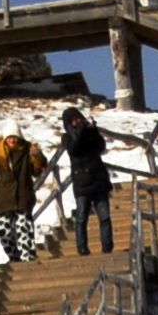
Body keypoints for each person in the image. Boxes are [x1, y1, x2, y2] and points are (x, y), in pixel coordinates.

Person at [58, 103, 113, 255]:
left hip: (98, 179)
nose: (77, 122)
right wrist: (81, 130)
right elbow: (74, 148)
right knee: (81, 218)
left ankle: (107, 247)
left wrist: (94, 131)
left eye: (78, 118)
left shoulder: (89, 133)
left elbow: (101, 147)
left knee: (105, 217)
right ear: (68, 124)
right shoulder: (67, 137)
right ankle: (82, 248)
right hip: (82, 183)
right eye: (74, 120)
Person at [0, 130, 41, 263]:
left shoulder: (27, 151)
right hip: (4, 200)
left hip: (23, 198)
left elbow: (37, 171)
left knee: (24, 232)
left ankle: (28, 262)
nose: (12, 141)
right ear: (5, 139)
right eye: (9, 138)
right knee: (5, 235)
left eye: (14, 137)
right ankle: (14, 259)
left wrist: (37, 156)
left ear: (19, 138)